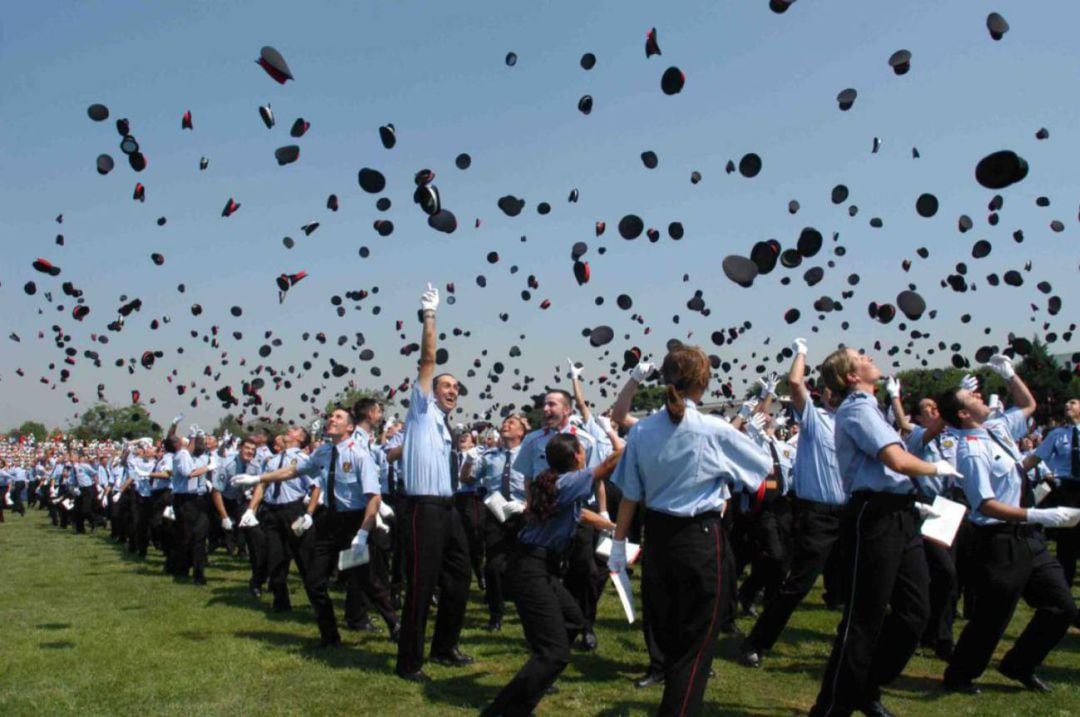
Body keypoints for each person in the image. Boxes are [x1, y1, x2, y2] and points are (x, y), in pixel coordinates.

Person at [610, 344, 773, 716]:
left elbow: (630, 496)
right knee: (696, 644)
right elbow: (759, 469)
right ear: (703, 382)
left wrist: (619, 545)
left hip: (658, 538)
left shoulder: (643, 431)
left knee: (672, 637)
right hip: (699, 539)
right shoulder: (713, 430)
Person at [809, 347, 964, 717]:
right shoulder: (859, 409)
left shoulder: (869, 406)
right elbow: (895, 459)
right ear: (851, 376)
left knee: (915, 610)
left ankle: (865, 687)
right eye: (859, 355)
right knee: (865, 616)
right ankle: (832, 706)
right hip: (874, 516)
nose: (868, 356)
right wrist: (936, 469)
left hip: (898, 512)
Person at [938, 360, 1079, 694]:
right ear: (962, 414)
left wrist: (1009, 374)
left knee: (1062, 607)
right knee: (992, 616)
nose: (981, 397)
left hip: (1027, 537)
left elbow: (1028, 405)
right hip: (997, 539)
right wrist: (1039, 516)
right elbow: (984, 503)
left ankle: (1020, 664)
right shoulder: (970, 450)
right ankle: (960, 674)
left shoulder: (997, 427)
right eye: (971, 397)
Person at [481, 434, 623, 717]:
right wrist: (636, 438)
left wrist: (612, 526)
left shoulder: (556, 482)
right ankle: (502, 711)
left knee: (573, 620)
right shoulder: (568, 481)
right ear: (577, 457)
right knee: (554, 654)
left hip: (538, 566)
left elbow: (580, 514)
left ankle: (535, 681)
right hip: (530, 568)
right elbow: (608, 465)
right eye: (583, 450)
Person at [235, 407, 397, 647]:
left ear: (350, 427)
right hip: (331, 523)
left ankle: (395, 624)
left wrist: (363, 533)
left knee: (365, 580)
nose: (331, 419)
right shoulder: (322, 452)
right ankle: (329, 636)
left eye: (338, 417)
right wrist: (260, 479)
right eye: (330, 416)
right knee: (314, 580)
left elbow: (373, 498)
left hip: (355, 522)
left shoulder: (359, 455)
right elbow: (293, 470)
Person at [741, 337, 846, 669]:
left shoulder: (859, 423)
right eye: (829, 390)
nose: (831, 394)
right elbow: (796, 382)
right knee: (798, 584)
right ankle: (756, 641)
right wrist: (801, 351)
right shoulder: (818, 421)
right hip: (818, 515)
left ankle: (851, 649)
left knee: (861, 585)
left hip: (853, 512)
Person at [394, 283, 473, 681]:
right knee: (421, 586)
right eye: (447, 385)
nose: (452, 391)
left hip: (449, 508)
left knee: (460, 576)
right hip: (422, 508)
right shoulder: (421, 410)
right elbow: (427, 360)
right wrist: (430, 316)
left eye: (456, 388)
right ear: (430, 391)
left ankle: (444, 645)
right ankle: (409, 662)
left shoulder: (444, 425)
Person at [515, 388, 605, 651]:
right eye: (544, 405)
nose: (546, 409)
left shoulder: (585, 441)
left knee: (584, 572)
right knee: (550, 574)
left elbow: (595, 477)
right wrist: (531, 506)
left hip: (577, 515)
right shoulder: (533, 440)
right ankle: (548, 628)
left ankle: (585, 625)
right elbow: (529, 477)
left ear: (568, 410)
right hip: (545, 516)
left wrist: (604, 512)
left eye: (552, 405)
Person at [245, 427, 313, 612]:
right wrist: (251, 510)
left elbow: (315, 486)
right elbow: (263, 484)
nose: (288, 430)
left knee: (303, 557)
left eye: (294, 430)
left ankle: (316, 600)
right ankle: (281, 601)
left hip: (293, 510)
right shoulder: (273, 460)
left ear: (300, 438)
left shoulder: (302, 459)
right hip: (273, 511)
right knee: (276, 556)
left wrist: (309, 510)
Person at [474, 414, 529, 631]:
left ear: (521, 432)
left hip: (522, 514)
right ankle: (496, 613)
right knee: (494, 565)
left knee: (523, 565)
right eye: (504, 422)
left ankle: (526, 609)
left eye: (512, 423)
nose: (505, 424)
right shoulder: (490, 456)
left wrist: (526, 506)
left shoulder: (528, 455)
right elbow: (469, 478)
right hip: (495, 516)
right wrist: (470, 461)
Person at [1028, 397, 1080, 588]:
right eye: (1065, 403)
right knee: (1067, 544)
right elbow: (1035, 458)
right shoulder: (1057, 434)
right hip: (1068, 490)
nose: (1067, 405)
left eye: (1073, 402)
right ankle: (1063, 592)